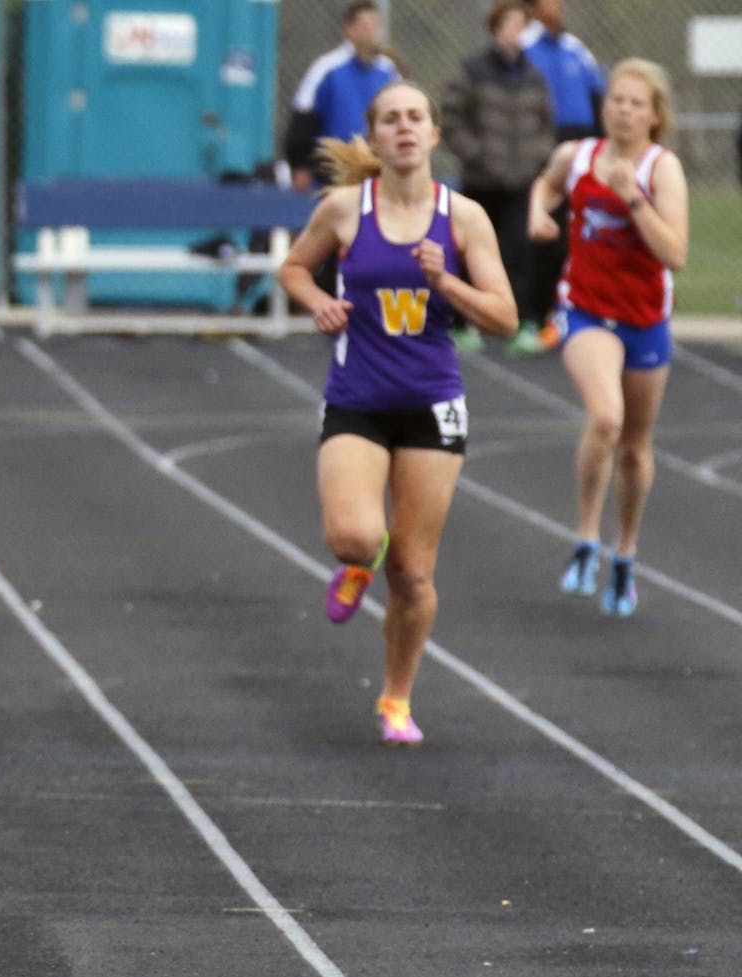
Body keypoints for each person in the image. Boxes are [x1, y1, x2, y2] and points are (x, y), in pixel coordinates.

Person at [275, 81, 518, 746]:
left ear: (435, 134)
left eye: (416, 117)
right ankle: (358, 563)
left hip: (432, 406)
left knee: (412, 573)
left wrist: (447, 282)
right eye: (391, 119)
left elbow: (505, 316)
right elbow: (293, 268)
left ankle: (396, 698)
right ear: (375, 139)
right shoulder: (346, 209)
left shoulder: (463, 218)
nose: (405, 128)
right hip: (357, 399)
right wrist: (316, 301)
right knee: (355, 536)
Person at [528, 58, 688, 619]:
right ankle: (586, 538)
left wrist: (633, 199)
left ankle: (626, 550)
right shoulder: (579, 157)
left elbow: (675, 254)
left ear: (654, 115)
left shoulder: (660, 169)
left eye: (634, 103)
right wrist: (537, 215)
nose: (622, 110)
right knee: (605, 419)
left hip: (644, 317)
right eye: (615, 100)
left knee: (636, 449)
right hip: (586, 310)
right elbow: (545, 185)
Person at [440, 0, 551, 357]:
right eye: (509, 24)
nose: (515, 31)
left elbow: (545, 124)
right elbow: (451, 118)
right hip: (481, 180)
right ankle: (460, 325)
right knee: (467, 252)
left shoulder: (533, 74)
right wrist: (477, 155)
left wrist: (535, 159)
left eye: (521, 24)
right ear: (495, 27)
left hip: (520, 180)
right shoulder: (473, 70)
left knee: (518, 253)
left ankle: (518, 325)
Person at [519, 0, 604, 352]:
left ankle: (570, 312)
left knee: (580, 233)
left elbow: (598, 97)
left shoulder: (576, 49)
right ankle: (534, 317)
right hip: (541, 149)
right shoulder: (523, 46)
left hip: (580, 147)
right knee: (542, 236)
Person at [282, 1, 399, 192]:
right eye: (363, 25)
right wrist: (300, 164)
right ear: (349, 29)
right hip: (334, 173)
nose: (369, 31)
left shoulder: (389, 71)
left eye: (373, 25)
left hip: (379, 171)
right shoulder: (327, 68)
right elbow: (303, 117)